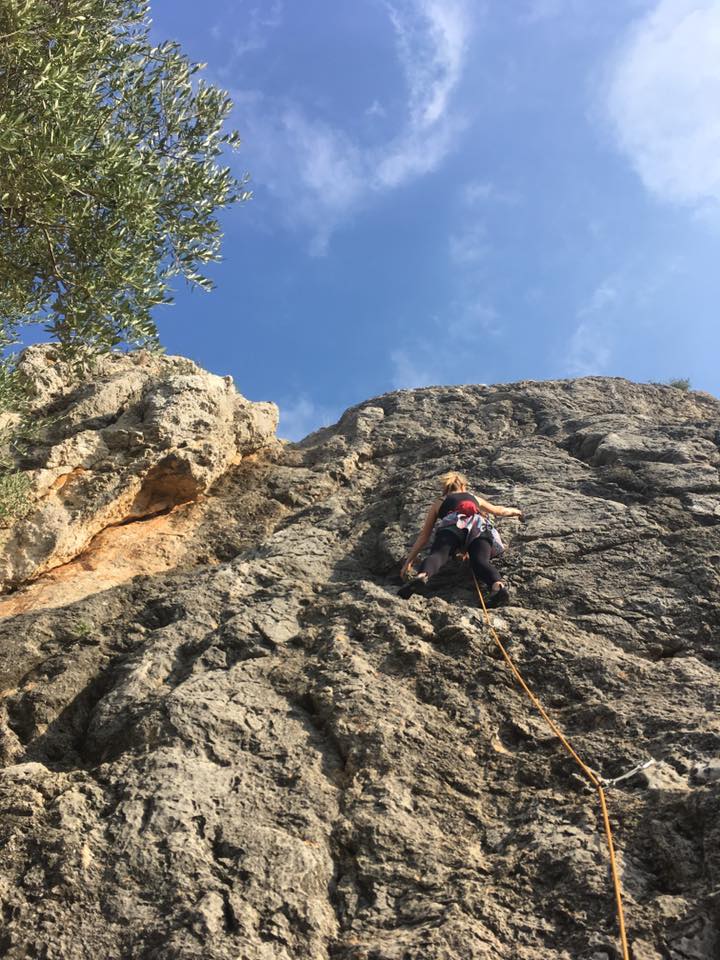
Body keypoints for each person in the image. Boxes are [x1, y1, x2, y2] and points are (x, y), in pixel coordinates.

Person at [399, 471, 523, 607]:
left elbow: (424, 535)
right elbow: (499, 511)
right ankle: (498, 586)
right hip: (479, 527)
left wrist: (408, 561)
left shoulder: (439, 502)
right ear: (463, 486)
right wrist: (516, 511)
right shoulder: (474, 497)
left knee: (439, 555)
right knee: (480, 561)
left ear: (446, 488)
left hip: (452, 526)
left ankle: (422, 576)